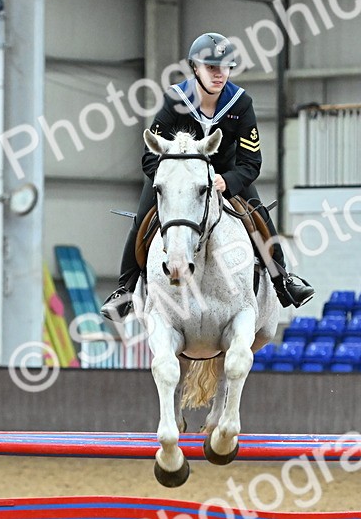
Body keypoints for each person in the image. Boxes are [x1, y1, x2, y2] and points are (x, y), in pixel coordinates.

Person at [100, 32, 314, 322]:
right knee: (142, 218)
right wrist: (175, 181)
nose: (219, 74)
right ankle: (124, 291)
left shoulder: (240, 103)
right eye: (211, 67)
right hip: (176, 179)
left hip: (225, 178)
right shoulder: (175, 99)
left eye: (225, 67)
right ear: (195, 68)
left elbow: (252, 161)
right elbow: (151, 155)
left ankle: (283, 281)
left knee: (259, 216)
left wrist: (229, 181)